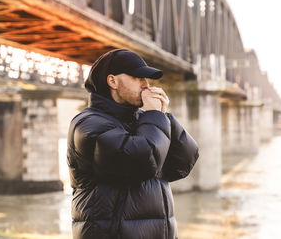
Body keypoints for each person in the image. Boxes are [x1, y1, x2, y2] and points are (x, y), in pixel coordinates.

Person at [67, 49, 199, 239]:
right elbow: (142, 162)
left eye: (147, 79)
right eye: (138, 78)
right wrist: (154, 116)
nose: (146, 85)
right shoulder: (88, 124)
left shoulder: (144, 120)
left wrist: (164, 115)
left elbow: (182, 163)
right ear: (112, 81)